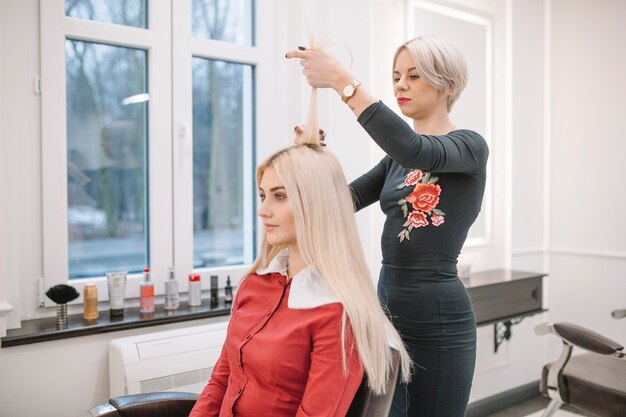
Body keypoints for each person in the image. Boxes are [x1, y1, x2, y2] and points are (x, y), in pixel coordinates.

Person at [287, 36, 489, 417]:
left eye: (414, 76)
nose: (400, 85)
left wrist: (344, 84)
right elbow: (339, 203)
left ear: (446, 84)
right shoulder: (395, 160)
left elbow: (416, 148)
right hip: (387, 311)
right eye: (396, 76)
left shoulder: (469, 147)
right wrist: (314, 157)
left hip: (439, 322)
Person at [189, 143, 412, 417]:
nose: (263, 210)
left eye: (279, 196)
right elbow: (221, 380)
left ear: (315, 203)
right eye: (263, 196)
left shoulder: (337, 315)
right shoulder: (254, 285)